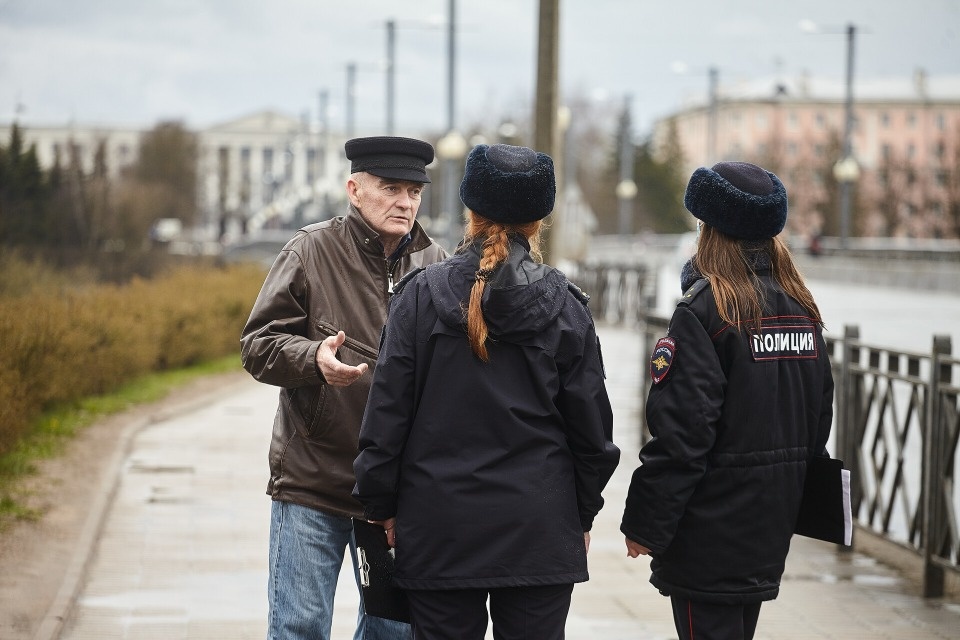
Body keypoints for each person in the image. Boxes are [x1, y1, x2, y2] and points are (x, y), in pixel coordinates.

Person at [353, 143, 621, 640]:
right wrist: (580, 514)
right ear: (538, 221)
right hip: (539, 526)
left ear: (470, 210)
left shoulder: (419, 297)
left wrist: (381, 505)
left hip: (439, 527)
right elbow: (592, 433)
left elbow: (386, 418)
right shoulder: (566, 307)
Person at [240, 135, 448, 640]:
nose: (405, 203)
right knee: (299, 628)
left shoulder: (437, 264)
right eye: (391, 188)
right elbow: (258, 344)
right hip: (312, 482)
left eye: (414, 192)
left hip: (395, 495)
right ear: (354, 190)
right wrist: (313, 358)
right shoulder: (310, 250)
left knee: (392, 633)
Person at [621, 161, 835, 640]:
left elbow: (682, 435)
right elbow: (818, 420)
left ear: (710, 232)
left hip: (709, 533)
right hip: (770, 527)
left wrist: (645, 524)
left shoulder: (704, 311)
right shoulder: (802, 309)